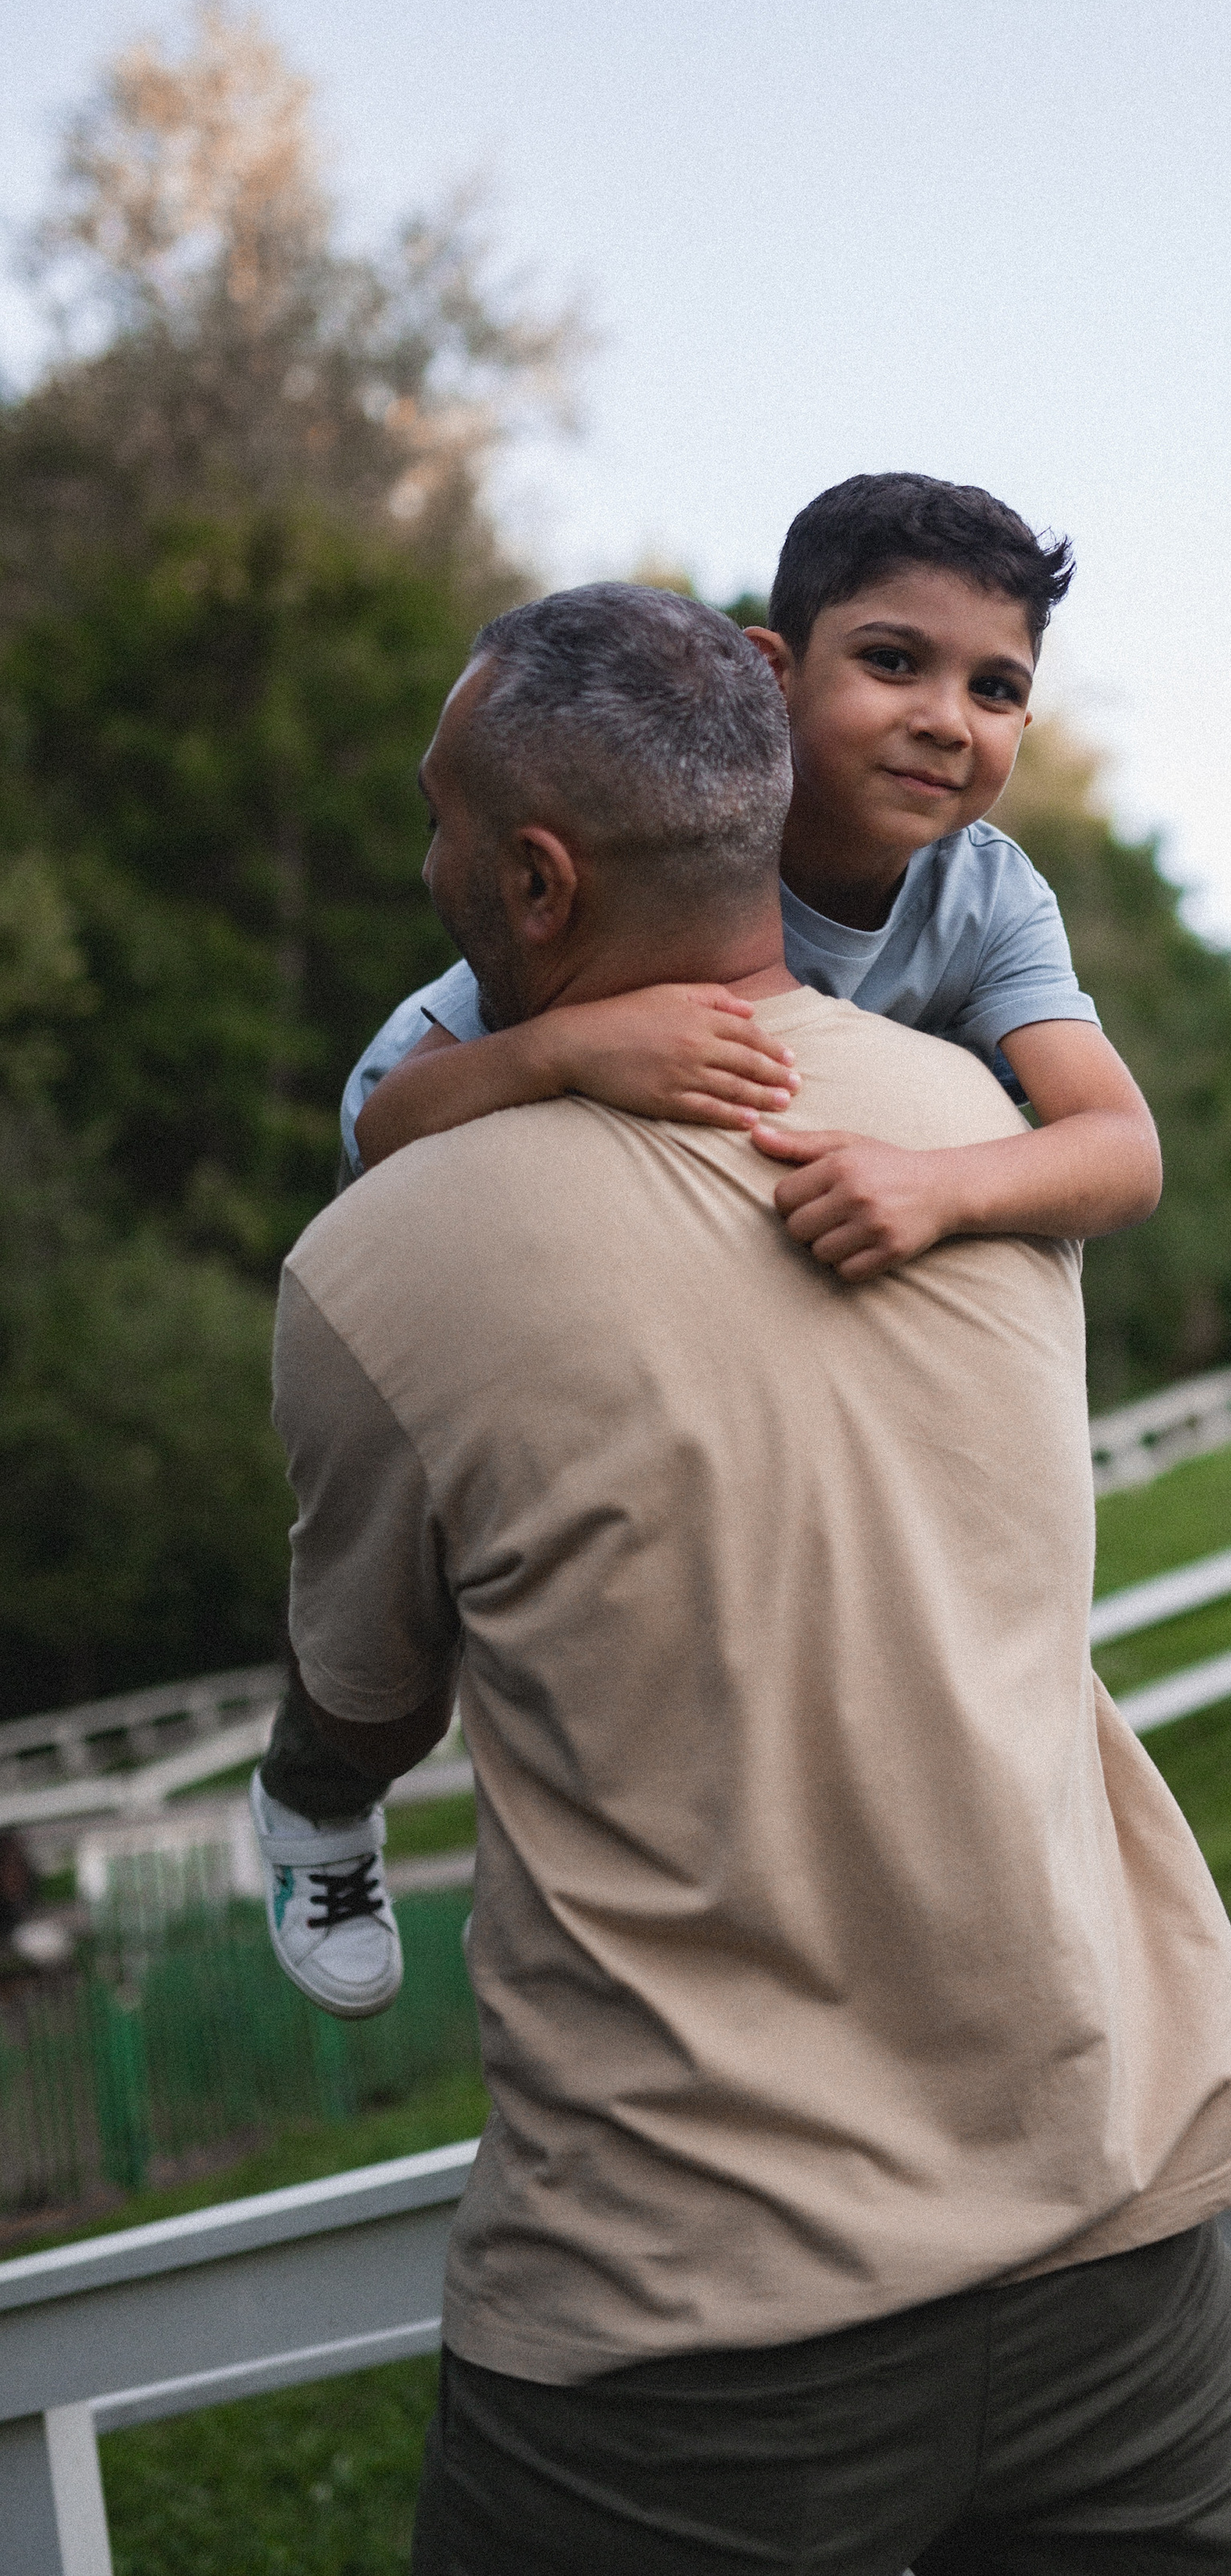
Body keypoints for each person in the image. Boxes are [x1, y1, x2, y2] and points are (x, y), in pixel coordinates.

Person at [270, 586, 1231, 2573]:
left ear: (535, 877)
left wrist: (313, 1765)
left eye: (436, 825)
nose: (425, 865)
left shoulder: (378, 1261)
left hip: (685, 2329)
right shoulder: (976, 1127)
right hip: (1107, 2225)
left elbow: (366, 1685)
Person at [251, 474, 1163, 2013]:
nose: (949, 717)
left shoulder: (988, 889)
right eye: (894, 662)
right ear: (769, 672)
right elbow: (383, 1135)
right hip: (535, 1188)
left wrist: (943, 1184)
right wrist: (568, 1048)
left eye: (997, 687)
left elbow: (1119, 1145)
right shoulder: (673, 839)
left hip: (780, 1257)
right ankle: (315, 1801)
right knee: (408, 1587)